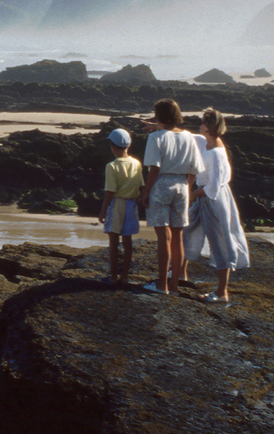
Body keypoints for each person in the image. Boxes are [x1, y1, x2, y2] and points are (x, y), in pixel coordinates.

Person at [183, 107, 250, 304]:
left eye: (203, 121)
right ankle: (180, 273)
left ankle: (222, 292)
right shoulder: (205, 142)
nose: (200, 124)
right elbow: (187, 137)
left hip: (215, 199)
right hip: (203, 196)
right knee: (186, 230)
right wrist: (159, 127)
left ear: (210, 126)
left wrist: (194, 193)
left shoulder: (218, 152)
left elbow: (216, 184)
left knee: (219, 242)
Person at [139, 99, 207, 294]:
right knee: (178, 237)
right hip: (182, 186)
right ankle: (175, 285)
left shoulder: (155, 138)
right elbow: (195, 169)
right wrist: (188, 187)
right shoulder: (188, 137)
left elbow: (154, 168)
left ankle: (161, 285)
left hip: (161, 184)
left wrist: (145, 192)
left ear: (158, 116)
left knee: (163, 238)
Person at [97, 127, 143, 285]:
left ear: (113, 146)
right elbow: (140, 187)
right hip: (131, 203)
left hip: (116, 203)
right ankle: (125, 277)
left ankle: (113, 276)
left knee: (113, 242)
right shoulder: (136, 163)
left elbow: (110, 191)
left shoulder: (112, 166)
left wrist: (102, 212)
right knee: (128, 241)